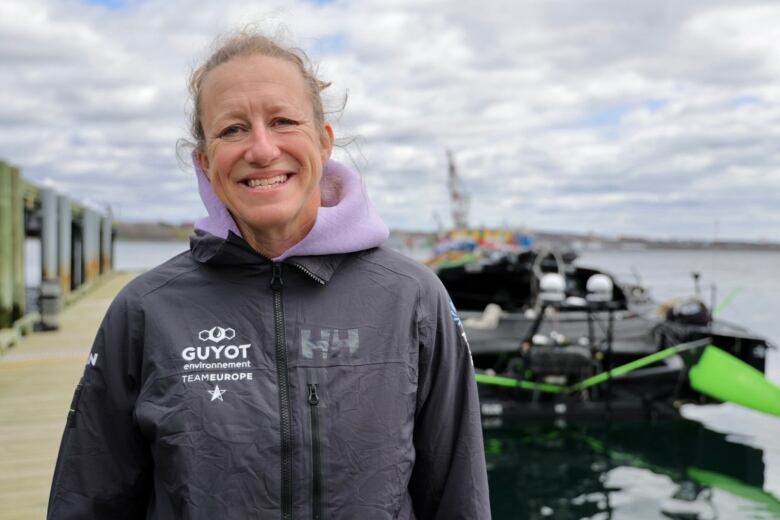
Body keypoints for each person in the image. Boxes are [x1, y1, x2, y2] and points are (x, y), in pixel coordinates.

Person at [47, 29, 491, 520]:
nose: (261, 149)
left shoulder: (413, 299)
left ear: (323, 143)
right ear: (204, 160)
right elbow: (88, 500)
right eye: (232, 129)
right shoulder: (146, 310)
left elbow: (459, 497)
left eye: (282, 121)